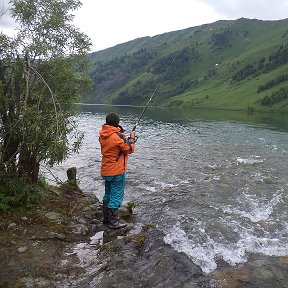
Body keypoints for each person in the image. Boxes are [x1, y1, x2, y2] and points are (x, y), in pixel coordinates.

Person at [99, 112, 136, 229]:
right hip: (117, 171)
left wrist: (126, 138)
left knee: (107, 194)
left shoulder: (103, 135)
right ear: (117, 123)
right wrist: (132, 138)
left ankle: (106, 218)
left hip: (106, 170)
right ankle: (113, 222)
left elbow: (117, 147)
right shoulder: (117, 137)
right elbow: (129, 149)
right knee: (116, 195)